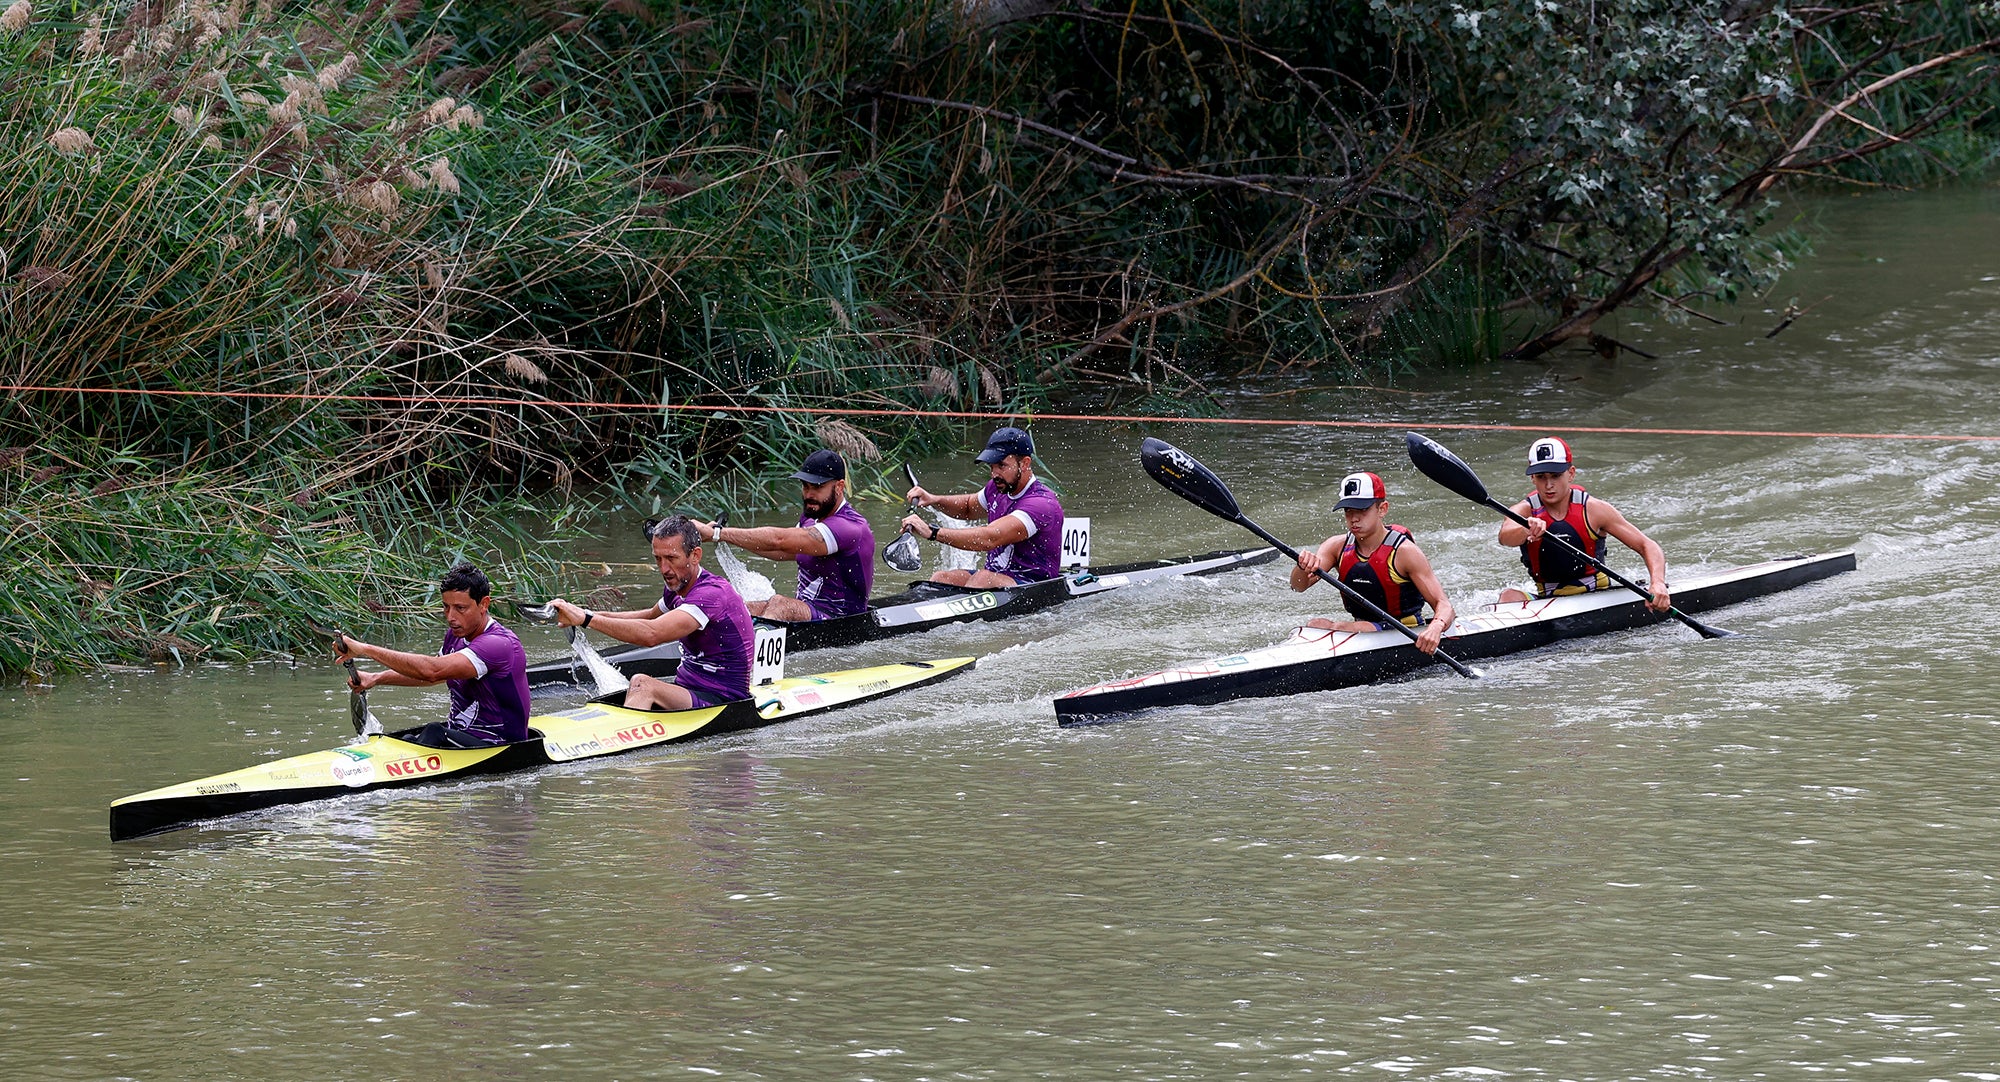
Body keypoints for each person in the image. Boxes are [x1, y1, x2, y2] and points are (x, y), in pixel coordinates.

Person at [548, 516, 754, 710]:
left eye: (672, 558)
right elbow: (649, 617)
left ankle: (623, 745)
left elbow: (651, 634)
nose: (664, 569)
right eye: (658, 559)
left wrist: (586, 620)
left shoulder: (711, 594)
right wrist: (581, 612)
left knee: (641, 684)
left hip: (725, 699)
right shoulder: (678, 585)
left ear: (695, 555)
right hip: (688, 688)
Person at [336, 563, 533, 748]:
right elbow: (429, 676)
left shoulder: (499, 644)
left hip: (500, 744)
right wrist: (376, 678)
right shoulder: (456, 635)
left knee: (433, 731)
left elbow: (432, 671)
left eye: (460, 608)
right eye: (446, 607)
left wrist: (365, 649)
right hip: (460, 737)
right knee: (407, 739)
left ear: (484, 604)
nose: (450, 617)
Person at [693, 449, 875, 621]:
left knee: (780, 604)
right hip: (807, 612)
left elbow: (778, 541)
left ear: (839, 486)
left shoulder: (850, 527)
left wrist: (718, 533)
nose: (808, 495)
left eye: (817, 487)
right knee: (736, 607)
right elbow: (781, 551)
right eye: (805, 486)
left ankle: (748, 651)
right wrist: (724, 537)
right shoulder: (811, 518)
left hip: (840, 620)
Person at [1289, 471, 1457, 654]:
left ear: (1382, 509)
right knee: (1316, 624)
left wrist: (1435, 627)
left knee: (1342, 627)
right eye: (1348, 511)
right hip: (1361, 628)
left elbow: (1444, 605)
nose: (1354, 518)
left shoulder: (1405, 552)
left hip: (1403, 630)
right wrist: (1301, 566)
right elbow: (1299, 586)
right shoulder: (1336, 546)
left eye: (1362, 510)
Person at [1497, 437, 1670, 611]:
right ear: (1533, 478)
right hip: (1548, 599)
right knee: (1508, 596)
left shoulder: (1594, 509)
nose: (1549, 485)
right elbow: (1505, 537)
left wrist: (1658, 583)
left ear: (1571, 473)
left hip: (1598, 592)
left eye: (1556, 476)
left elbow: (1647, 545)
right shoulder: (1523, 510)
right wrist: (1526, 528)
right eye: (1541, 477)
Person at [900, 425, 1065, 588]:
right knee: (940, 578)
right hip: (995, 578)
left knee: (982, 579)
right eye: (991, 466)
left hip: (1033, 584)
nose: (994, 474)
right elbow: (967, 508)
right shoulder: (998, 487)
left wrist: (933, 532)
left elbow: (990, 538)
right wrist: (933, 499)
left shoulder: (1041, 504)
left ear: (1024, 463)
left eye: (1001, 465)